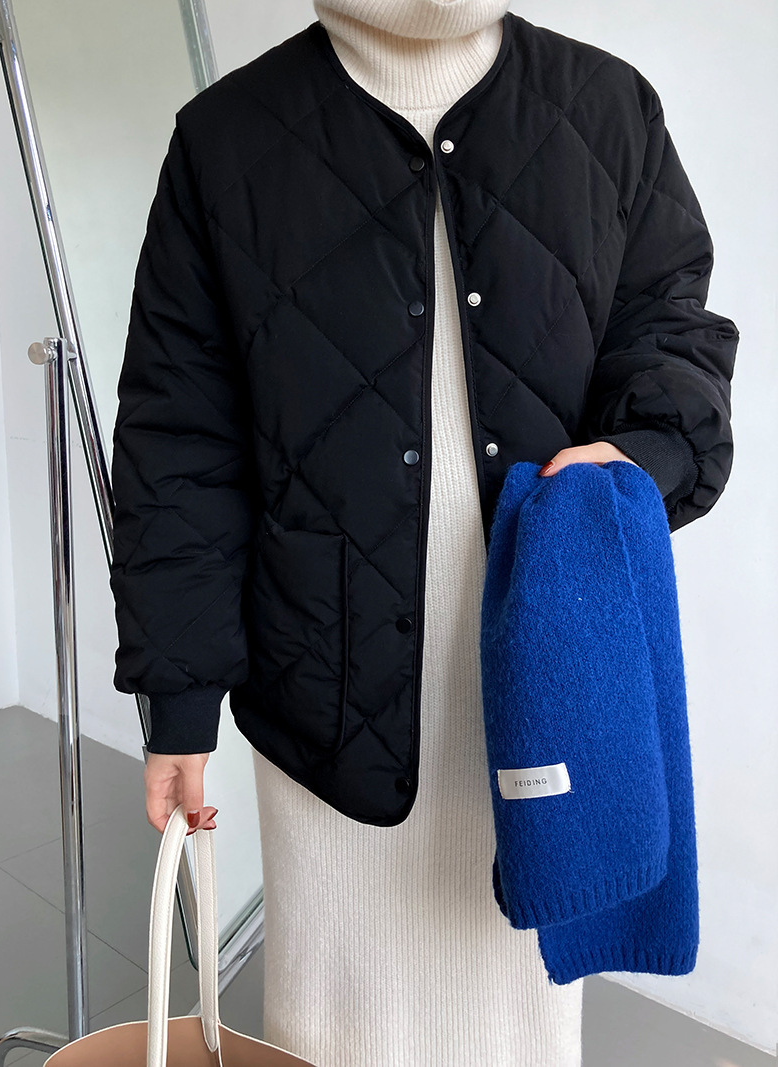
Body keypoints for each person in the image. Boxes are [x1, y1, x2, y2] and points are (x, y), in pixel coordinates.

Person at [112, 1, 736, 1063]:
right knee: (337, 1012)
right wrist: (179, 701)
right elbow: (179, 441)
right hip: (321, 665)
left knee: (516, 1000)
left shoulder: (605, 106)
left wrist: (646, 452)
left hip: (546, 660)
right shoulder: (228, 137)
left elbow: (671, 321)